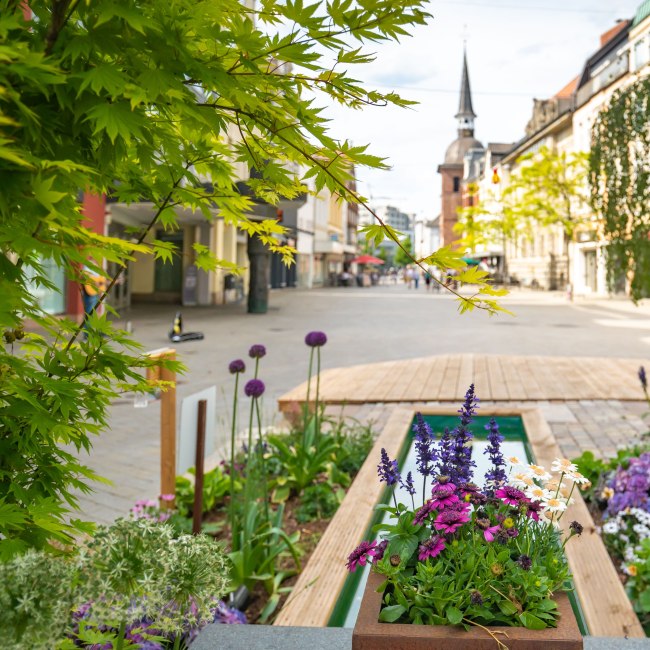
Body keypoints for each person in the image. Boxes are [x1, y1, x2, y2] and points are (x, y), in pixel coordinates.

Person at [81, 263, 106, 336]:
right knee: (89, 314)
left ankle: (92, 332)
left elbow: (100, 280)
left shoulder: (95, 265)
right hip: (89, 293)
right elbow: (85, 277)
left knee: (93, 313)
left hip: (95, 293)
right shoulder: (88, 264)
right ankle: (87, 334)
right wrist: (95, 283)